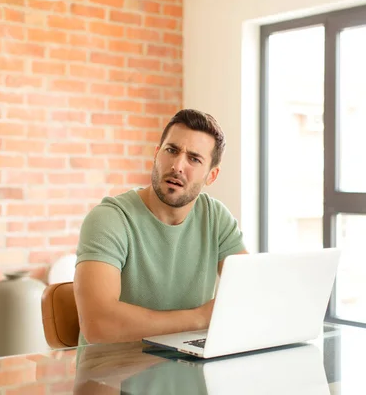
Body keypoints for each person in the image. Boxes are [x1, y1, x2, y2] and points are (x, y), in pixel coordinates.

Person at [74, 109, 247, 345]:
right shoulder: (110, 218)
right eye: (172, 150)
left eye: (194, 159)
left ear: (212, 176)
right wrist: (200, 318)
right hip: (112, 375)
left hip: (186, 371)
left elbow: (249, 294)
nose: (177, 165)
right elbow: (99, 324)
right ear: (157, 154)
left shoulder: (216, 218)